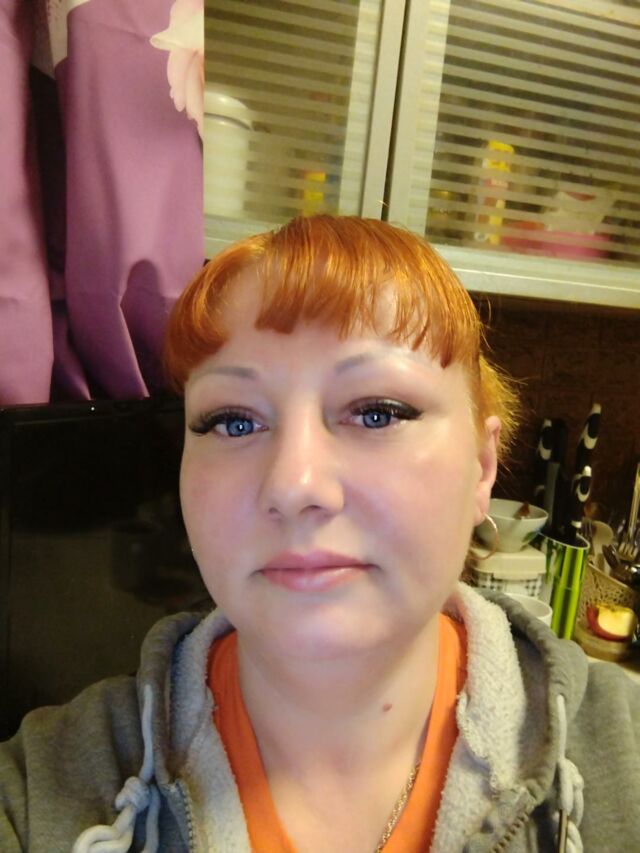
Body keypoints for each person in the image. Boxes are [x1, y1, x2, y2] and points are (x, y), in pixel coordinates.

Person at [1, 215, 639, 853]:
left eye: (378, 412)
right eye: (233, 422)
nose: (294, 484)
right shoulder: (40, 790)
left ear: (482, 467)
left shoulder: (624, 746)